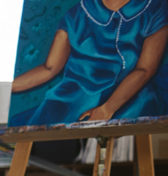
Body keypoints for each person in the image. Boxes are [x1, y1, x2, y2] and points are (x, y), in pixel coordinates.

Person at [11, 0, 168, 126]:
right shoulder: (77, 13)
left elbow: (145, 69)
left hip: (128, 94)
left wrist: (107, 109)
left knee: (134, 117)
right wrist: (5, 88)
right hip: (73, 97)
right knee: (46, 125)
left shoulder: (154, 9)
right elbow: (49, 68)